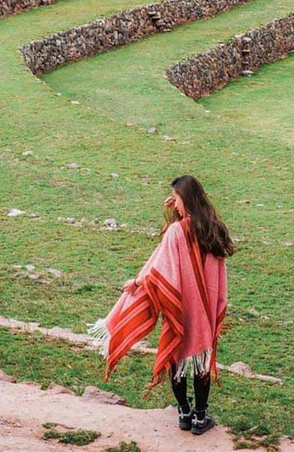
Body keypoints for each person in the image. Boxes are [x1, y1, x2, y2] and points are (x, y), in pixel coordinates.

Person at [89, 175, 234, 435]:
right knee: (200, 359)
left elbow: (160, 268)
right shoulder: (215, 228)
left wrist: (136, 282)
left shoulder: (176, 231)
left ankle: (183, 412)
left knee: (176, 357)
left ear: (185, 200)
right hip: (204, 308)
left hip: (179, 305)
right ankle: (201, 418)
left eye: (176, 199)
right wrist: (177, 214)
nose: (174, 204)